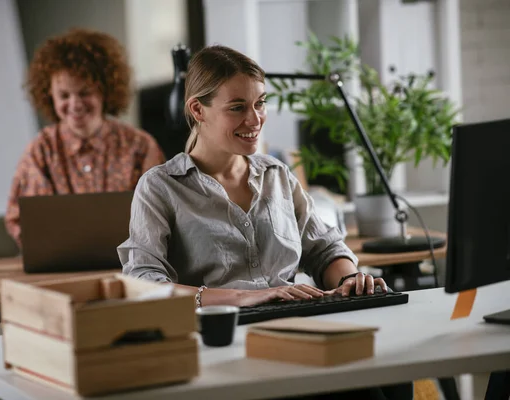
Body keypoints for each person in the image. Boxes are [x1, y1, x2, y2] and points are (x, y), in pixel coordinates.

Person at [119, 44, 413, 400]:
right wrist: (246, 296)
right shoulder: (161, 187)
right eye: (237, 107)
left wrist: (350, 278)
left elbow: (324, 249)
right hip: (224, 348)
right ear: (198, 109)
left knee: (397, 369)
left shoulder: (277, 175)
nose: (255, 119)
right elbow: (144, 286)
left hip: (299, 330)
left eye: (260, 103)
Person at [5, 29, 165, 247]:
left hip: (129, 266)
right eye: (64, 95)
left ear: (105, 90)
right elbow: (21, 221)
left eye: (84, 93)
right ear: (49, 95)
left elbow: (161, 214)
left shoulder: (141, 147)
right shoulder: (41, 150)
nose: (74, 104)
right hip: (58, 270)